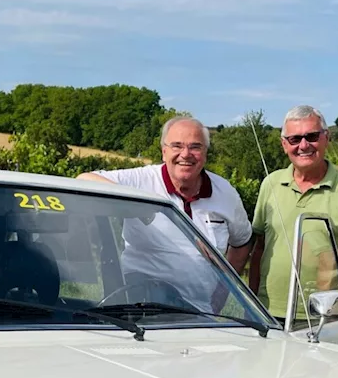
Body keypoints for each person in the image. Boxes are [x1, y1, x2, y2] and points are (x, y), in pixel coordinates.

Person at [248, 104, 338, 351]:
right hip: (268, 313)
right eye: (294, 138)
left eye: (312, 136)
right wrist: (249, 304)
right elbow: (259, 248)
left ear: (327, 138)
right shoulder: (270, 184)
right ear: (284, 144)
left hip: (325, 318)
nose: (303, 145)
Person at [77, 114, 252, 312]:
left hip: (201, 313)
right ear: (164, 152)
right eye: (177, 146)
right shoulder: (140, 180)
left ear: (205, 153)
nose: (185, 154)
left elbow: (242, 242)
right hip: (141, 306)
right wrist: (138, 205)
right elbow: (83, 179)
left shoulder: (225, 192)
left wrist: (221, 293)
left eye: (195, 147)